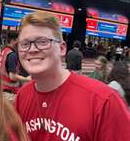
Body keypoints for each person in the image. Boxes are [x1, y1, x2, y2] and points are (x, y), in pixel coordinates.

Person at [15, 11, 130, 141]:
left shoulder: (104, 100)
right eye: (24, 44)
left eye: (42, 42)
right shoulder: (22, 96)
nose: (32, 49)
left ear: (62, 48)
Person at [0, 33, 31, 102]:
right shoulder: (12, 55)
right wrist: (26, 79)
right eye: (19, 40)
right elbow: (12, 76)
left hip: (1, 89)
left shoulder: (4, 51)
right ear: (14, 40)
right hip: (9, 93)